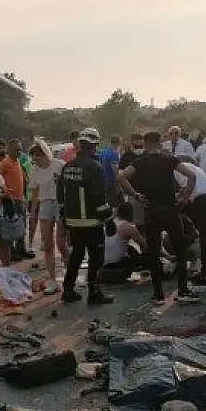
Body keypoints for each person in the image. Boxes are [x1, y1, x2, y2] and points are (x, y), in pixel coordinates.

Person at [118, 131, 199, 305]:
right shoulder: (169, 159)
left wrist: (136, 195)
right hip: (171, 210)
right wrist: (185, 196)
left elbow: (121, 177)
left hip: (152, 211)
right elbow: (192, 175)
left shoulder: (140, 162)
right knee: (180, 250)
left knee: (153, 252)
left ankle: (158, 294)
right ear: (159, 143)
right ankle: (183, 289)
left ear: (147, 144)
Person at [57, 128, 114, 304]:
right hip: (91, 222)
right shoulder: (94, 168)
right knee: (97, 257)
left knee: (77, 255)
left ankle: (68, 290)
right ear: (94, 145)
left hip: (73, 221)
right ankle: (94, 292)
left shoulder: (68, 166)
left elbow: (60, 195)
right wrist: (109, 220)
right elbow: (100, 199)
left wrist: (65, 216)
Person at [28, 141, 69, 294]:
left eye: (39, 157)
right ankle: (52, 279)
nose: (37, 161)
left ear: (45, 154)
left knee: (61, 243)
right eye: (34, 158)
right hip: (45, 204)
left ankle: (69, 274)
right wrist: (33, 212)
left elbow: (68, 185)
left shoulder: (59, 165)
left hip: (60, 203)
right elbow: (35, 192)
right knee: (47, 244)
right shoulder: (35, 171)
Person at [174, 155, 206, 285]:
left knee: (204, 238)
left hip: (203, 200)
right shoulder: (192, 167)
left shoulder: (177, 169)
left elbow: (186, 188)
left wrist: (180, 201)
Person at [1, 140, 36, 261]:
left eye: (20, 149)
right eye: (16, 149)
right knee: (12, 225)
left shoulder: (18, 162)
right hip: (11, 200)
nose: (19, 152)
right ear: (9, 150)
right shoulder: (5, 163)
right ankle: (12, 251)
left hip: (20, 198)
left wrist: (25, 197)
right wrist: (5, 191)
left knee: (21, 225)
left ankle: (21, 249)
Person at [98, 201, 149, 284]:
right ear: (131, 214)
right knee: (148, 256)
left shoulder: (109, 223)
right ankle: (159, 273)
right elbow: (146, 246)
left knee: (130, 248)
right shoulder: (127, 227)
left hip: (102, 263)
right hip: (114, 265)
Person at [118, 133, 147, 224]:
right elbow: (121, 174)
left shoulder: (148, 154)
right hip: (133, 193)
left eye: (140, 141)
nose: (138, 144)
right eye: (136, 142)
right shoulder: (126, 156)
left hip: (148, 193)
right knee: (135, 221)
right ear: (132, 142)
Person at [98, 135, 123, 208]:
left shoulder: (103, 152)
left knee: (108, 204)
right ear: (118, 143)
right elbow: (116, 171)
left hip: (104, 182)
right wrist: (120, 184)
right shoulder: (113, 153)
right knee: (116, 206)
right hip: (112, 184)